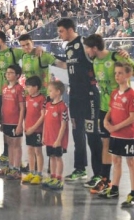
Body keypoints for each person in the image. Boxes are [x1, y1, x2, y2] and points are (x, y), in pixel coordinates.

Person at [83, 34, 134, 192]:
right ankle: (105, 179)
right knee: (105, 143)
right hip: (104, 108)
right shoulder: (95, 61)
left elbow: (130, 69)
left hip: (121, 109)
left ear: (94, 48)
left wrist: (128, 57)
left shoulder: (116, 56)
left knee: (125, 153)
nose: (86, 51)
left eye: (87, 48)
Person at [56, 18, 103, 186]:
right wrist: (48, 58)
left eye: (61, 31)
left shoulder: (84, 43)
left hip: (89, 95)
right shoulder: (68, 47)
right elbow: (66, 65)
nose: (59, 34)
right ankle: (80, 168)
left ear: (70, 29)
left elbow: (99, 57)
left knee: (92, 134)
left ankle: (99, 174)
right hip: (74, 95)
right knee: (77, 133)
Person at [0, 31, 25, 165]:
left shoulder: (14, 52)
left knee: (15, 124)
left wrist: (37, 49)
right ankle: (6, 154)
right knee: (4, 125)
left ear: (0, 40)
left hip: (14, 93)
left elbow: (28, 51)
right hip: (2, 93)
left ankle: (17, 160)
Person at [99, 62, 134, 208]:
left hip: (128, 135)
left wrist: (115, 127)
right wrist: (106, 120)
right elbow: (111, 109)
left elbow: (132, 117)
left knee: (131, 163)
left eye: (120, 73)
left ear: (128, 75)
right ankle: (114, 189)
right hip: (115, 135)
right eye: (115, 73)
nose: (117, 76)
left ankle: (132, 192)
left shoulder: (131, 95)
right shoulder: (114, 93)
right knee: (116, 161)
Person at [0, 65, 25, 180]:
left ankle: (16, 169)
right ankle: (11, 166)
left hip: (15, 122)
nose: (7, 74)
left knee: (16, 145)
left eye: (11, 72)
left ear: (17, 75)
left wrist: (19, 124)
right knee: (9, 144)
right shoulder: (4, 88)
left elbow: (22, 108)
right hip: (6, 121)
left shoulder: (19, 89)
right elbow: (3, 105)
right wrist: (2, 122)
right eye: (7, 72)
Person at [42, 80, 69, 190]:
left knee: (58, 157)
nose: (49, 93)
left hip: (57, 139)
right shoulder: (48, 105)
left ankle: (59, 179)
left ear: (58, 92)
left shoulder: (62, 107)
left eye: (51, 91)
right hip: (48, 137)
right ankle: (52, 177)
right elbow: (45, 122)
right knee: (51, 157)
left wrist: (58, 140)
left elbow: (63, 125)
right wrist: (44, 135)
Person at [22, 76, 46, 185]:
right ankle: (31, 172)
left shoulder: (42, 99)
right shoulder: (27, 98)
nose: (27, 89)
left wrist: (33, 128)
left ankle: (39, 174)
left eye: (29, 87)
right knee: (30, 150)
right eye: (26, 87)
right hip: (28, 129)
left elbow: (42, 116)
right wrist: (24, 125)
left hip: (37, 130)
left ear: (36, 87)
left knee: (38, 151)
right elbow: (25, 113)